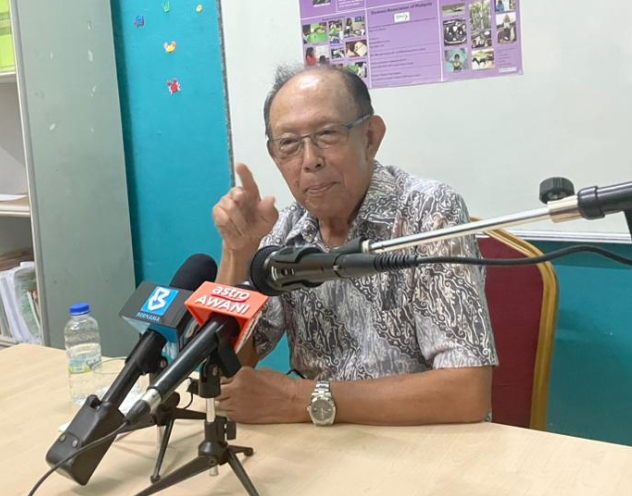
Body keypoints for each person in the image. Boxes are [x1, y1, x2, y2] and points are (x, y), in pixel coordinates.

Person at [213, 66, 497, 426]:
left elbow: (465, 393)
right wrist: (238, 252)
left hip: (424, 440)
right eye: (289, 144)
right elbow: (227, 366)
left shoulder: (429, 212)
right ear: (275, 156)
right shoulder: (283, 229)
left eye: (328, 134)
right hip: (319, 443)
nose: (310, 160)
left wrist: (299, 399)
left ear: (370, 136)